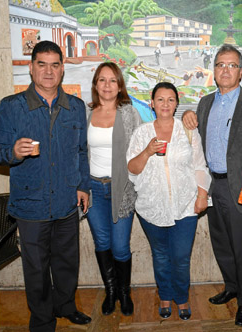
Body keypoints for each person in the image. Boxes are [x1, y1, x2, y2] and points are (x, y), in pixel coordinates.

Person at [0, 40, 91, 331]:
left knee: (67, 264)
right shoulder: (11, 107)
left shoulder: (76, 107)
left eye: (54, 64)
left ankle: (66, 306)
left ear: (62, 69)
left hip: (67, 203)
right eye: (41, 64)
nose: (48, 71)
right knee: (36, 270)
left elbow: (81, 151)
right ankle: (43, 320)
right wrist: (12, 152)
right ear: (31, 68)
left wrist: (82, 186)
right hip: (30, 207)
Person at [182, 44, 242, 327]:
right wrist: (186, 116)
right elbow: (195, 136)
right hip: (212, 185)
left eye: (231, 65)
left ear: (241, 71)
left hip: (239, 187)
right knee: (221, 242)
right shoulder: (205, 103)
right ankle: (231, 286)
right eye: (220, 65)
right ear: (214, 71)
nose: (225, 70)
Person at [127, 82, 211, 321]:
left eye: (170, 99)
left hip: (185, 205)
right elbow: (132, 169)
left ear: (176, 103)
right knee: (161, 255)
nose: (165, 104)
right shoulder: (141, 133)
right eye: (160, 99)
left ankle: (182, 297)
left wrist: (202, 195)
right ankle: (165, 295)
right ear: (152, 103)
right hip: (151, 206)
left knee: (182, 256)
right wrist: (146, 151)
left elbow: (199, 165)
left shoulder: (186, 130)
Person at [86, 62, 142, 317]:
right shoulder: (86, 113)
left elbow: (141, 148)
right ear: (95, 84)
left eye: (112, 80)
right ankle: (110, 292)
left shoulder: (129, 112)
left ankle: (124, 293)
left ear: (120, 85)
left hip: (122, 188)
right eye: (102, 80)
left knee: (120, 247)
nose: (107, 85)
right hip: (93, 189)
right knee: (102, 242)